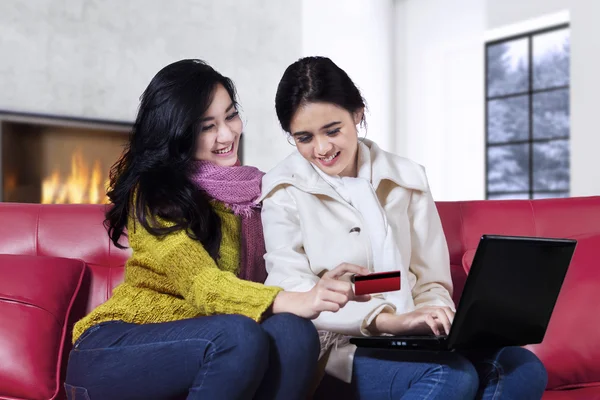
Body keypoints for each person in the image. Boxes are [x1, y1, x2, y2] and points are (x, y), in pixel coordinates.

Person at [260, 56, 548, 399]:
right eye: (304, 137)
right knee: (452, 378)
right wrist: (383, 318)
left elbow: (429, 280)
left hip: (412, 334)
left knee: (523, 367)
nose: (321, 149)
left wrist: (434, 315)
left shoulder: (406, 178)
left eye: (332, 130)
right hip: (339, 343)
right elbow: (290, 290)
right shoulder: (282, 190)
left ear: (358, 113)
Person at [63, 59, 335, 400]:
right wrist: (296, 299)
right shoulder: (154, 194)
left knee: (294, 333)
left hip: (216, 345)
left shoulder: (260, 193)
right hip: (114, 353)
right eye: (207, 126)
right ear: (179, 134)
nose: (227, 134)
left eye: (231, 116)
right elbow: (202, 285)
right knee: (239, 333)